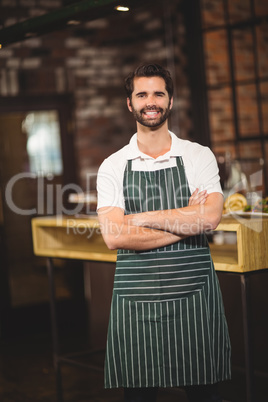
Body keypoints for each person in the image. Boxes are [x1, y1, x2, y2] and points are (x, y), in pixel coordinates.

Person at [96, 63, 231, 402]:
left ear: (170, 101)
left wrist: (140, 218)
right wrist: (186, 219)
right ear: (130, 103)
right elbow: (114, 236)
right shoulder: (112, 166)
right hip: (136, 302)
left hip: (194, 299)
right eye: (141, 94)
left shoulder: (198, 155)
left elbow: (210, 218)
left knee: (207, 394)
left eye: (158, 93)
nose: (150, 101)